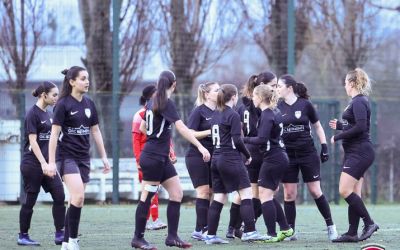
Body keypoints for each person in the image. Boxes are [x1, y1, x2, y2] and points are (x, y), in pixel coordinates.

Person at [131, 70, 210, 249]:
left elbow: (143, 127)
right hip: (153, 158)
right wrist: (200, 146)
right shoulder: (166, 102)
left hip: (159, 157)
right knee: (147, 196)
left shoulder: (152, 102)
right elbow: (182, 129)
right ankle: (138, 238)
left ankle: (172, 237)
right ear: (174, 84)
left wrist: (160, 142)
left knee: (176, 194)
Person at [48, 66, 111, 250]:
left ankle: (66, 243)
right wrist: (51, 162)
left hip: (84, 158)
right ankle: (74, 241)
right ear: (72, 81)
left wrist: (104, 157)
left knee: (74, 200)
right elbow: (54, 135)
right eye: (83, 78)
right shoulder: (62, 104)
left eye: (87, 78)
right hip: (66, 157)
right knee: (79, 197)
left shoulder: (89, 104)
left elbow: (96, 130)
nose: (87, 81)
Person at [277, 75, 337, 241]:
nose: (277, 89)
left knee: (315, 191)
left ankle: (331, 227)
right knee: (289, 194)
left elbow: (317, 126)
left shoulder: (305, 105)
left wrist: (324, 146)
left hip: (307, 154)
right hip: (287, 156)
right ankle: (291, 231)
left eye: (279, 86)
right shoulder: (277, 107)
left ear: (289, 87)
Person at [204, 84, 263, 245]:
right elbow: (237, 140)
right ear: (234, 97)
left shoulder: (215, 114)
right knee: (246, 193)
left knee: (219, 197)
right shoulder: (233, 115)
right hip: (230, 158)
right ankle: (250, 232)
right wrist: (247, 154)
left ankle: (210, 235)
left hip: (216, 159)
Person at [226, 71, 278, 239]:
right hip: (259, 152)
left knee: (245, 193)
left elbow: (239, 129)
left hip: (247, 151)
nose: (275, 89)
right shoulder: (261, 108)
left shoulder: (243, 106)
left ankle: (233, 228)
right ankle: (246, 227)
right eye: (273, 85)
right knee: (259, 194)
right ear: (263, 87)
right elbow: (261, 134)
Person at [329, 68, 379, 242]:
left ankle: (369, 222)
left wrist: (338, 136)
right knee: (353, 193)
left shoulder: (359, 101)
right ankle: (352, 232)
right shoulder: (356, 101)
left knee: (344, 190)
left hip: (360, 152)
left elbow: (360, 128)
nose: (344, 86)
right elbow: (356, 125)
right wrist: (341, 126)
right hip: (355, 151)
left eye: (345, 83)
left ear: (351, 83)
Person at [243, 84, 294, 242]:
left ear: (260, 97)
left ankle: (271, 234)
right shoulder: (274, 111)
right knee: (268, 195)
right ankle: (285, 229)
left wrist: (243, 139)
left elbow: (261, 139)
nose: (252, 98)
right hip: (277, 157)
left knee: (264, 195)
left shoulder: (267, 114)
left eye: (254, 96)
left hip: (274, 158)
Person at [17, 82, 65, 246]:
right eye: (54, 95)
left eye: (58, 95)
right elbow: (33, 141)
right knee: (30, 200)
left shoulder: (50, 114)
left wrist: (51, 163)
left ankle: (60, 234)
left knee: (60, 195)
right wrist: (44, 164)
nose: (56, 98)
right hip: (32, 164)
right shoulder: (32, 114)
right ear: (43, 95)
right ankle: (23, 235)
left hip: (48, 165)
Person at [184, 82, 220, 240]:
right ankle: (201, 229)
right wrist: (209, 131)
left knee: (213, 192)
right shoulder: (198, 111)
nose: (220, 92)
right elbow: (189, 133)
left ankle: (205, 228)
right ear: (207, 94)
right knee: (204, 191)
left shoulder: (221, 111)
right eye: (216, 90)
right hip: (197, 155)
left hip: (216, 156)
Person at [132, 85, 167, 231]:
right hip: (147, 157)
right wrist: (139, 160)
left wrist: (169, 152)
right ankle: (148, 221)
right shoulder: (140, 115)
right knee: (148, 190)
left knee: (154, 189)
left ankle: (154, 219)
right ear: (150, 96)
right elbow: (136, 140)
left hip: (158, 155)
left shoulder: (160, 111)